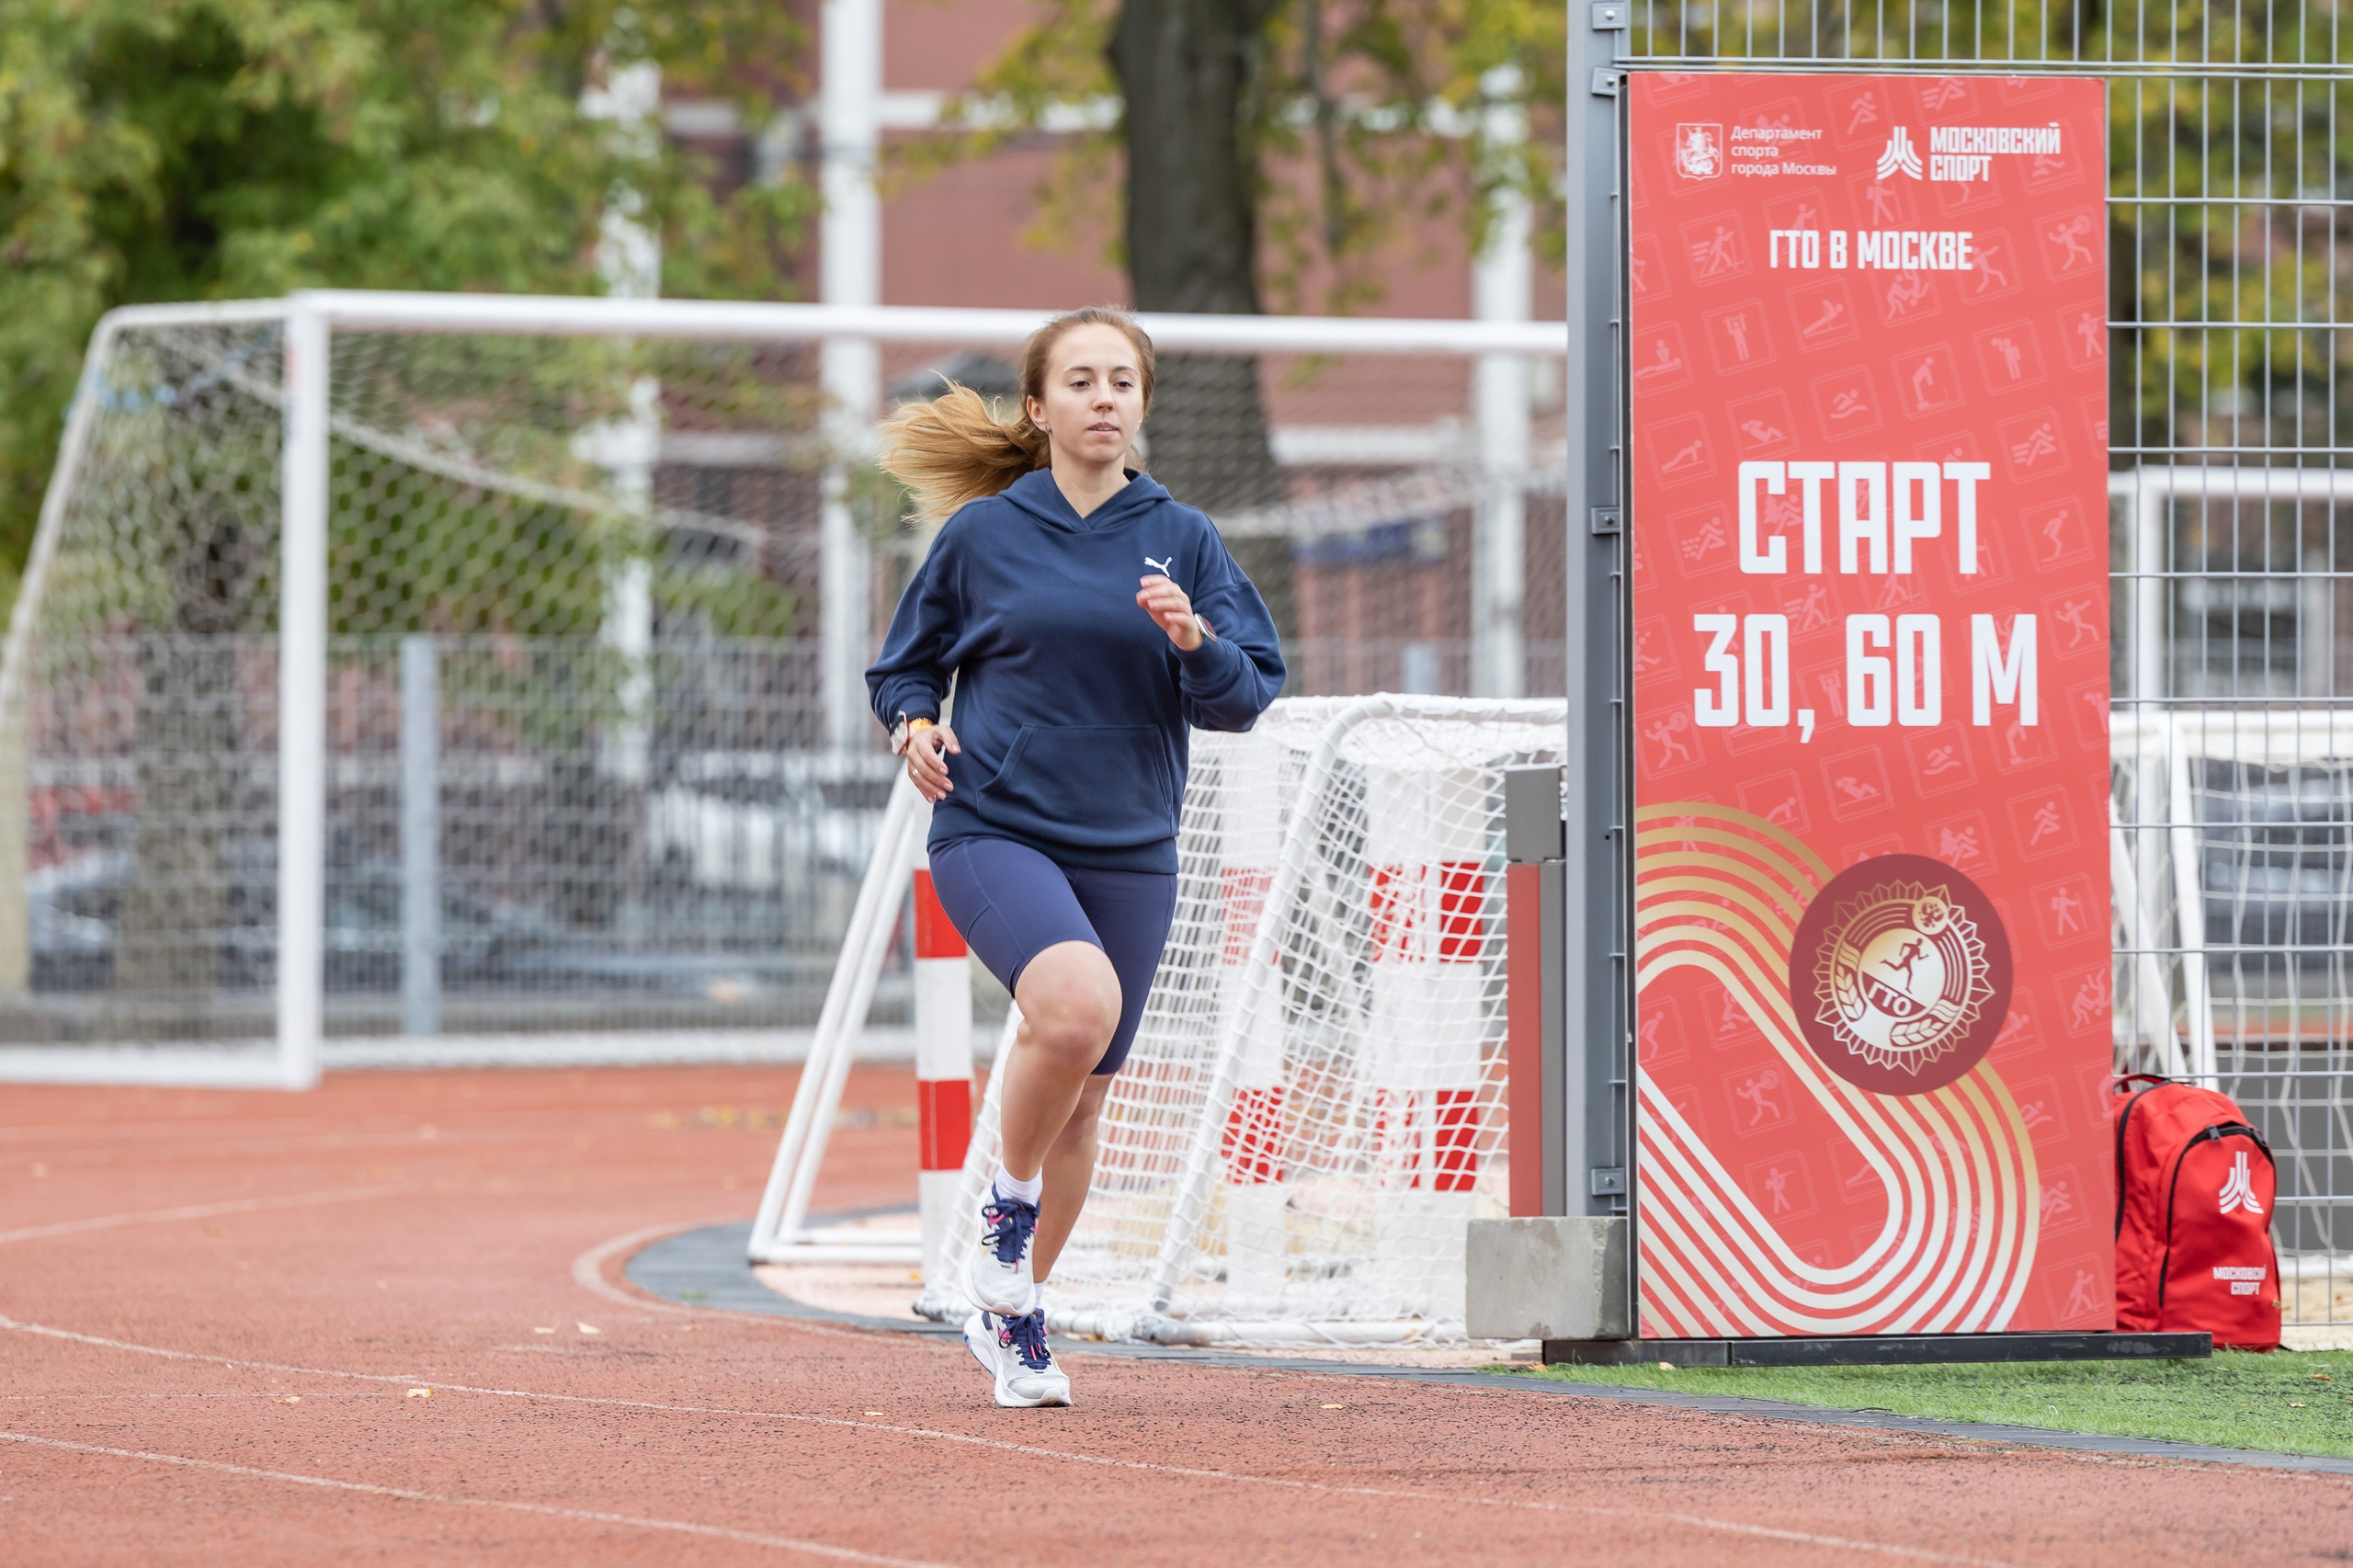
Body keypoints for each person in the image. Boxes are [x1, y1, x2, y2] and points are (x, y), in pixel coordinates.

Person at [867, 307, 1285, 1407]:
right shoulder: (982, 535)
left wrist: (1194, 640)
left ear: (1142, 405)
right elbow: (901, 669)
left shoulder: (1184, 537)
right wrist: (915, 726)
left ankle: (1012, 1316)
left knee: (1088, 1096)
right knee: (1072, 1005)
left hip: (1132, 846)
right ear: (1040, 407)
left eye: (1122, 382)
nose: (1104, 398)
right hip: (994, 820)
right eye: (1082, 381)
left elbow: (1248, 696)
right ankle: (1003, 1223)